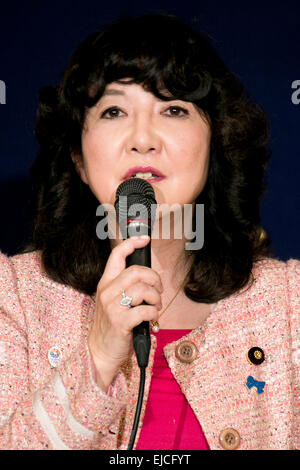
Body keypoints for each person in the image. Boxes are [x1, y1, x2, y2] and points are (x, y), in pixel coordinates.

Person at [0, 13, 299, 451]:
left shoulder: (288, 303)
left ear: (215, 144)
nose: (143, 139)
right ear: (78, 159)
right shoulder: (14, 297)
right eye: (114, 110)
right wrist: (100, 356)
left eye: (174, 109)